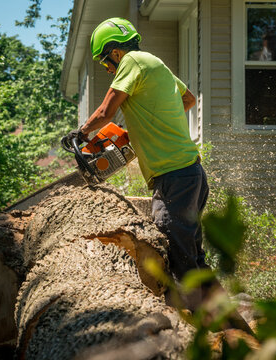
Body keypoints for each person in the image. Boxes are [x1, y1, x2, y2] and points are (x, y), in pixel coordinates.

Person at [67, 17, 210, 309]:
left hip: (173, 177)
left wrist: (80, 134)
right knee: (192, 253)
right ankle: (224, 316)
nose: (108, 69)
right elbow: (188, 99)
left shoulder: (131, 62)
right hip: (192, 173)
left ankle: (197, 325)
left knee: (172, 250)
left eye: (106, 62)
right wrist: (148, 125)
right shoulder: (155, 63)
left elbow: (107, 110)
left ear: (116, 52)